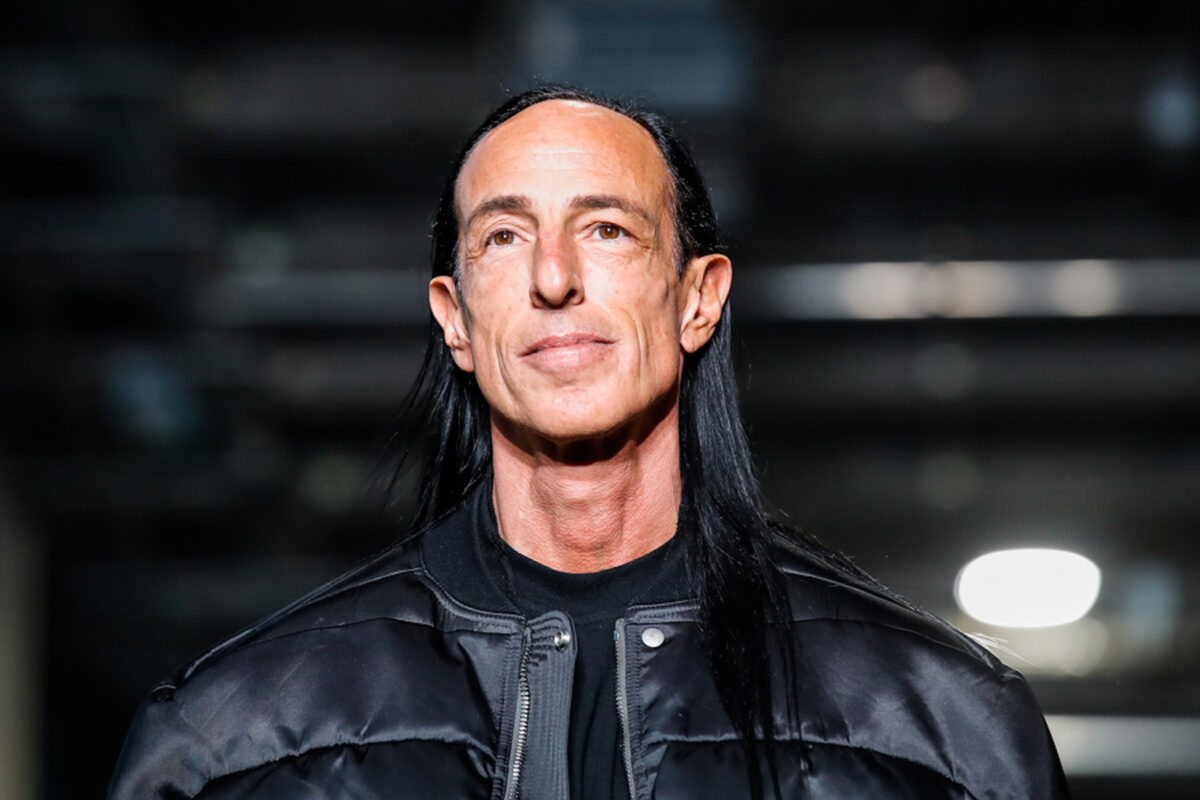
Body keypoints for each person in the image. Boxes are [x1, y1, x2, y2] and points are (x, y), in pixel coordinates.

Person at [109, 86, 1069, 799]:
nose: (554, 277)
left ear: (698, 299)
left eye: (607, 229)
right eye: (503, 238)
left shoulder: (941, 729)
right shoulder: (235, 738)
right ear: (455, 320)